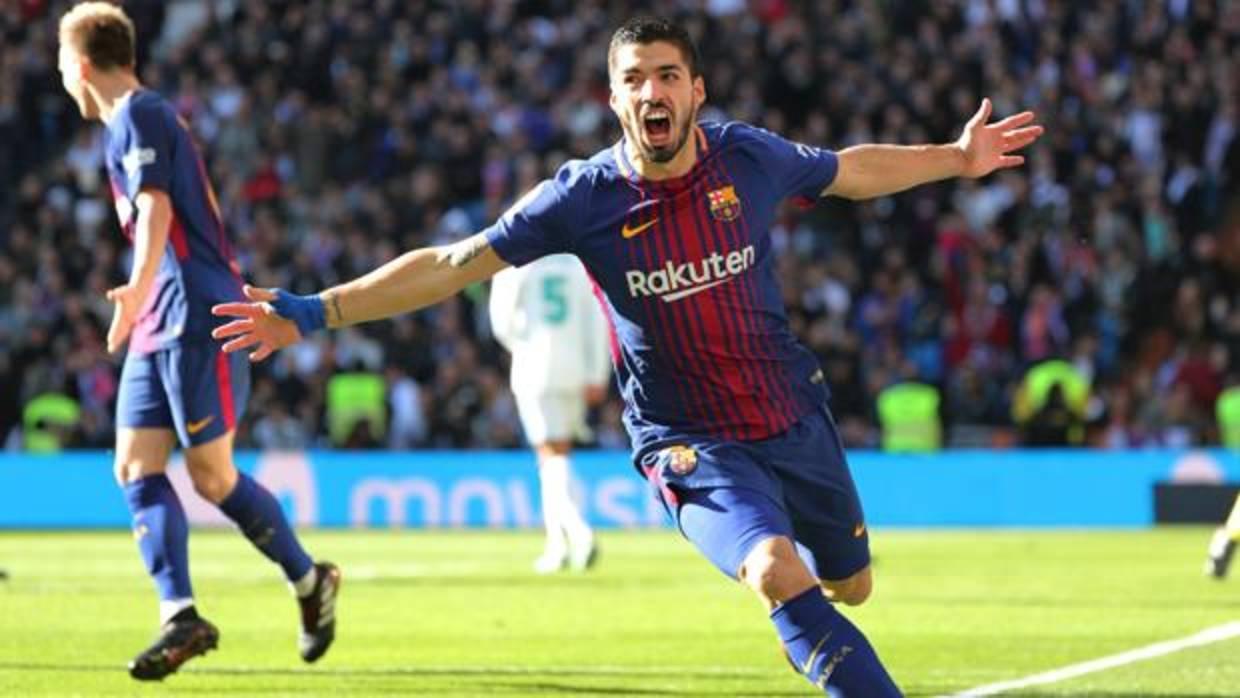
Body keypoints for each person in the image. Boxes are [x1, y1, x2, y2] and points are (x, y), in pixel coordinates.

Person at [213, 16, 1041, 696]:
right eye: (636, 77)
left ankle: (816, 626)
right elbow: (455, 262)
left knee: (849, 585)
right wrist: (318, 311)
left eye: (669, 75)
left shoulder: (746, 157)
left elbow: (850, 172)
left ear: (696, 90)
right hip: (690, 439)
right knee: (771, 568)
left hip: (792, 411)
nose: (654, 91)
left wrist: (956, 158)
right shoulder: (582, 198)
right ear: (614, 98)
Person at [56, 3, 340, 681]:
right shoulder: (120, 128)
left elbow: (155, 208)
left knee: (212, 477)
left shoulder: (141, 113)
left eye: (64, 63)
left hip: (197, 316)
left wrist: (135, 285)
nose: (61, 77)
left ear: (83, 64)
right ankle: (180, 614)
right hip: (162, 318)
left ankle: (310, 581)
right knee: (133, 466)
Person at [489, 254, 611, 573]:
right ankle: (557, 546)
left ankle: (580, 533)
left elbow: (501, 321)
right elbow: (598, 319)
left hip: (534, 366)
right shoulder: (577, 263)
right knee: (558, 454)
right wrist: (597, 373)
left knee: (549, 454)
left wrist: (523, 346)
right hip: (576, 368)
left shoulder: (516, 262)